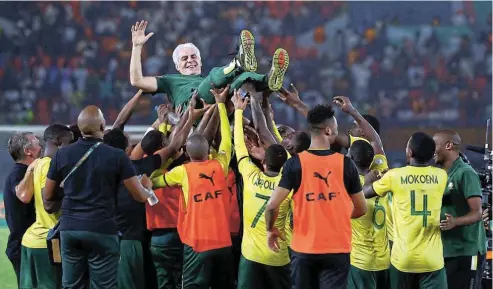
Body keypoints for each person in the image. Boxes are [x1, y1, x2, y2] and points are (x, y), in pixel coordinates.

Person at [43, 105, 155, 289]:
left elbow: (48, 194)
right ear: (102, 126)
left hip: (70, 228)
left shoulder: (62, 154)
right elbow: (139, 196)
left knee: (71, 285)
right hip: (102, 228)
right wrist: (147, 188)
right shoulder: (117, 156)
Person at [265, 104, 367, 289]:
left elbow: (271, 206)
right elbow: (361, 208)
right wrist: (338, 214)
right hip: (337, 249)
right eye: (336, 129)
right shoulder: (346, 164)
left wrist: (270, 229)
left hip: (304, 249)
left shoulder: (295, 164)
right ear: (328, 130)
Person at [151, 85, 235, 289]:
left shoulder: (183, 172)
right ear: (209, 151)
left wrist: (166, 139)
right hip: (223, 243)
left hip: (196, 244)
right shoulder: (221, 165)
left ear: (187, 154)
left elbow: (153, 179)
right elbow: (226, 141)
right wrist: (221, 106)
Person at [129, 20, 289, 110]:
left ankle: (269, 80)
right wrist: (137, 47)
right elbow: (137, 81)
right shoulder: (169, 80)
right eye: (184, 59)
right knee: (214, 76)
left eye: (193, 56)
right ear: (177, 66)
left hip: (220, 102)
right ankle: (239, 63)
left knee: (244, 76)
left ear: (200, 60)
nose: (190, 60)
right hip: (192, 107)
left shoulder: (211, 78)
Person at [363, 132, 448, 289]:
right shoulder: (442, 176)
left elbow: (364, 194)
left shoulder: (394, 176)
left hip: (403, 259)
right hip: (433, 260)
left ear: (409, 152)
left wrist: (371, 177)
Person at [231, 90, 291, 289]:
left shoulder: (250, 176)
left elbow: (239, 146)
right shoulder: (289, 186)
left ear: (263, 161)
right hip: (279, 256)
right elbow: (286, 157)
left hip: (250, 255)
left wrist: (239, 112)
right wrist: (270, 122)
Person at [333, 96, 390, 289]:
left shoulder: (344, 186)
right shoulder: (382, 174)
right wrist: (352, 111)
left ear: (349, 159)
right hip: (385, 259)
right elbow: (375, 140)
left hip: (360, 261)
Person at [15, 124, 74, 289]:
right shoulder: (49, 165)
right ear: (59, 141)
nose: (71, 147)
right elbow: (48, 204)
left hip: (32, 240)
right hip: (49, 241)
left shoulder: (39, 163)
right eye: (70, 142)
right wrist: (72, 192)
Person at [433, 130, 487, 289]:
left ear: (448, 146)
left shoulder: (466, 173)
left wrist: (455, 221)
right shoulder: (440, 174)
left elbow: (477, 212)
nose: (431, 151)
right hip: (447, 249)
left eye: (434, 145)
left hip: (467, 251)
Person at [3, 132, 41, 287]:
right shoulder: (19, 173)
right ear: (28, 151)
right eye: (37, 142)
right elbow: (24, 196)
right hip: (22, 247)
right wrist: (33, 167)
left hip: (25, 246)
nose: (41, 145)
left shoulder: (19, 173)